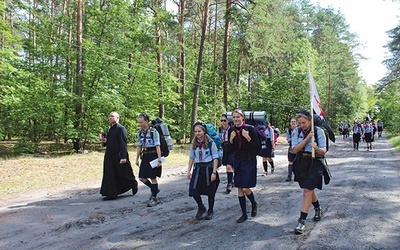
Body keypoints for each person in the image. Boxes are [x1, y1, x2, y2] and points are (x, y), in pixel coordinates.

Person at [291, 110, 327, 234]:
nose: (302, 125)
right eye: (300, 123)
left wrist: (316, 148)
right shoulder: (297, 131)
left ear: (310, 120)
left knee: (307, 191)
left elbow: (323, 151)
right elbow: (295, 149)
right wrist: (306, 139)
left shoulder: (318, 131)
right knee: (308, 189)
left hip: (315, 161)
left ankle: (301, 221)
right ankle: (318, 208)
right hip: (302, 161)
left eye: (304, 122)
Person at [226, 108, 260, 223]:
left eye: (238, 117)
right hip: (238, 161)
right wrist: (230, 140)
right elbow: (230, 149)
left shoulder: (250, 129)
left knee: (245, 188)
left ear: (242, 118)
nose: (236, 119)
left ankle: (253, 203)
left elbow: (257, 147)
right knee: (239, 188)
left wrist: (248, 138)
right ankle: (244, 214)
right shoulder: (231, 130)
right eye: (234, 117)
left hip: (249, 160)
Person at [100, 112, 138, 200]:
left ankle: (133, 184)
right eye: (109, 116)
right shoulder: (110, 129)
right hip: (109, 155)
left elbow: (123, 143)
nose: (110, 118)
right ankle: (111, 194)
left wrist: (123, 157)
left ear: (117, 118)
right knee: (110, 173)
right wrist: (104, 140)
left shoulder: (121, 129)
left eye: (112, 116)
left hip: (119, 155)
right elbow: (110, 142)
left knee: (124, 172)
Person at [187, 122, 220, 220]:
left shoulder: (210, 142)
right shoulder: (194, 143)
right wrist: (188, 171)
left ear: (204, 131)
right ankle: (201, 207)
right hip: (198, 169)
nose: (197, 133)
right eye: (196, 131)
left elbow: (215, 157)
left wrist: (214, 172)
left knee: (210, 191)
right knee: (193, 190)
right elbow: (191, 157)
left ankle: (210, 210)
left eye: (199, 131)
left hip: (208, 169)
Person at [135, 113, 163, 207]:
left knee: (153, 177)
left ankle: (154, 197)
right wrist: (137, 158)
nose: (140, 124)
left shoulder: (153, 131)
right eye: (139, 122)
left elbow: (157, 145)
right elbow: (139, 146)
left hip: (153, 155)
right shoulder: (140, 132)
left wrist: (159, 160)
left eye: (141, 122)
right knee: (142, 177)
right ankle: (155, 189)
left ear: (146, 121)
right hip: (145, 155)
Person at [219, 114, 234, 194]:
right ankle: (232, 180)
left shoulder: (231, 129)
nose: (223, 122)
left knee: (229, 166)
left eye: (224, 120)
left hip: (232, 149)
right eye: (221, 120)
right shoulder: (220, 129)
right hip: (224, 148)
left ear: (228, 121)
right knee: (229, 167)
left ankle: (229, 184)